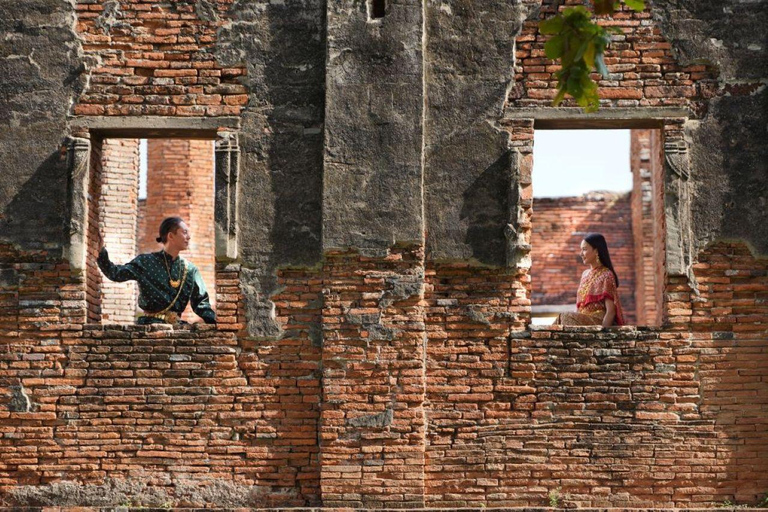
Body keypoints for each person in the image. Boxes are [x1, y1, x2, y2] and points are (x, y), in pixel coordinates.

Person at [97, 217, 216, 325]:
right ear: (171, 236)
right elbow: (115, 273)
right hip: (148, 328)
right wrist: (100, 251)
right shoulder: (145, 262)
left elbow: (201, 303)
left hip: (178, 331)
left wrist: (220, 324)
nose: (189, 237)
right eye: (184, 232)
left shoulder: (190, 270)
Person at [555, 233, 625, 327]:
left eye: (584, 249)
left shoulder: (606, 275)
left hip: (598, 321)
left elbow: (611, 311)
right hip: (582, 319)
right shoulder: (585, 274)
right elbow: (579, 308)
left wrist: (603, 335)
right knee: (558, 321)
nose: (581, 254)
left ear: (596, 251)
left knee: (565, 316)